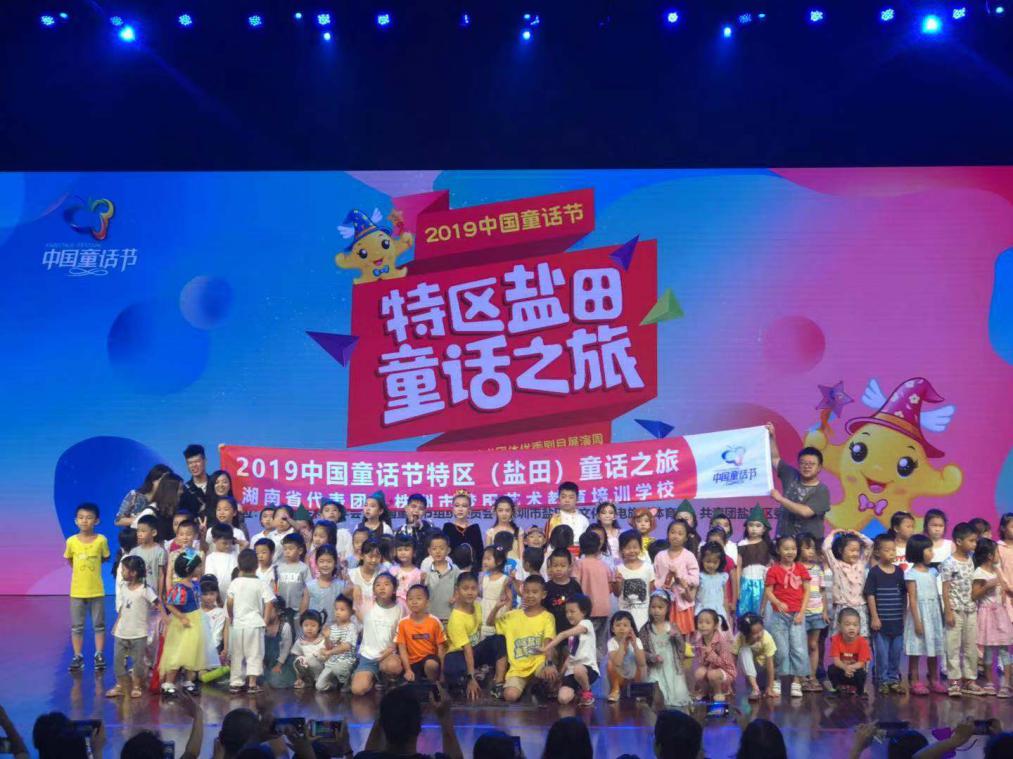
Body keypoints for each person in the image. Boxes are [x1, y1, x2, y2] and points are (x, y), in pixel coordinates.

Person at [490, 574, 558, 702]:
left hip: (538, 663)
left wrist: (549, 664)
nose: (530, 595)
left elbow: (548, 642)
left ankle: (537, 683)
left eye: (535, 592)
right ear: (522, 593)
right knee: (510, 696)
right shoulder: (512, 615)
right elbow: (490, 622)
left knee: (550, 674)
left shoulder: (548, 617)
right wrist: (497, 607)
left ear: (543, 595)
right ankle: (528, 685)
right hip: (518, 668)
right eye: (527, 592)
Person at [444, 572, 507, 699]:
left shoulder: (477, 606)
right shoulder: (456, 619)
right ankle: (470, 678)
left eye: (473, 588)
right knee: (453, 668)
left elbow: (485, 627)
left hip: (474, 651)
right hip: (459, 654)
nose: (470, 592)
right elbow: (467, 649)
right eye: (465, 588)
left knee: (499, 639)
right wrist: (471, 678)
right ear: (457, 590)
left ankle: (499, 683)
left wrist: (496, 607)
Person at [355, 684, 463, 759]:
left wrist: (384, 711)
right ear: (418, 727)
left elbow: (368, 754)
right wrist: (445, 717)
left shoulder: (362, 757)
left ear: (382, 724)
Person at [763, 534, 811, 698]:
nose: (790, 552)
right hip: (779, 616)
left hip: (797, 615)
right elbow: (768, 591)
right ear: (778, 550)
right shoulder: (773, 570)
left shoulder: (801, 568)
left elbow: (807, 591)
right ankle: (777, 679)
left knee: (798, 648)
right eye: (786, 549)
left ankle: (796, 681)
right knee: (781, 649)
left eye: (793, 549)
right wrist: (777, 603)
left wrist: (802, 613)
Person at [65, 502, 110, 672]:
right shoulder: (71, 541)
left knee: (99, 625)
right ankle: (77, 656)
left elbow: (105, 557)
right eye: (81, 517)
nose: (84, 521)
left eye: (89, 517)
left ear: (96, 521)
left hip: (96, 590)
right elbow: (70, 559)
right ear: (76, 520)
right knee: (77, 626)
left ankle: (99, 654)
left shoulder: (101, 540)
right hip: (77, 591)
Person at [766, 422, 831, 538]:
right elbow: (775, 458)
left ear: (819, 468)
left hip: (809, 545)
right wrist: (771, 437)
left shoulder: (822, 490)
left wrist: (780, 499)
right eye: (803, 463)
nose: (807, 466)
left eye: (811, 464)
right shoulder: (791, 475)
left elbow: (805, 512)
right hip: (783, 542)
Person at [105, 555, 157, 698]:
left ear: (133, 573)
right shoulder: (123, 587)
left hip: (138, 633)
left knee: (137, 662)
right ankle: (120, 685)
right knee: (118, 661)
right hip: (122, 631)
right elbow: (123, 607)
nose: (121, 572)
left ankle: (136, 685)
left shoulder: (145, 589)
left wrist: (164, 619)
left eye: (124, 570)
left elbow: (157, 604)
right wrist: (116, 624)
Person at [940, 521, 981, 696]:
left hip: (971, 609)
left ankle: (970, 680)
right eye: (971, 541)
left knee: (971, 646)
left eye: (975, 541)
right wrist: (948, 611)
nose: (974, 544)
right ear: (958, 541)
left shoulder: (972, 560)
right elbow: (945, 589)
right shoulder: (949, 563)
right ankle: (954, 681)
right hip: (955, 610)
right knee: (953, 646)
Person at [864, 533, 908, 695]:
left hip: (897, 622)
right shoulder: (874, 572)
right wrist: (874, 617)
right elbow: (870, 595)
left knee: (896, 653)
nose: (891, 553)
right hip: (881, 623)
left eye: (893, 550)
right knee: (882, 654)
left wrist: (904, 616)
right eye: (887, 550)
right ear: (877, 552)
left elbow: (903, 594)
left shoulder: (899, 572)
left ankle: (893, 679)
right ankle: (882, 680)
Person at [160, 549, 208, 695]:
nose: (200, 568)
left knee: (193, 652)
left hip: (196, 622)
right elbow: (169, 604)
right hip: (184, 623)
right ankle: (169, 683)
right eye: (198, 566)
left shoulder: (195, 584)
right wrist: (181, 616)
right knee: (179, 652)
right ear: (189, 569)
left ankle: (188, 680)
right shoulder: (180, 588)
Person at [350, 573, 404, 696]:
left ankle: (387, 679)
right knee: (357, 690)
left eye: (386, 584)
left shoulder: (400, 608)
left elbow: (401, 633)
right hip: (368, 656)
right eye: (378, 585)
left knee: (393, 667)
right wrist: (356, 588)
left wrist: (392, 648)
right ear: (373, 590)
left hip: (388, 654)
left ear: (394, 589)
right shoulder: (367, 604)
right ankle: (372, 677)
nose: (382, 587)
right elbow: (353, 605)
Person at [904, 534, 946, 695]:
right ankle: (915, 680)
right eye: (928, 550)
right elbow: (913, 599)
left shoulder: (933, 572)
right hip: (919, 614)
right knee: (916, 650)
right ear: (918, 552)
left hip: (933, 614)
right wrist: (917, 621)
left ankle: (934, 679)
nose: (932, 553)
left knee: (933, 648)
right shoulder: (911, 574)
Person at [972, 537, 1013, 696]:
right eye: (996, 552)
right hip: (987, 615)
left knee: (1004, 650)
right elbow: (974, 595)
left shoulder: (997, 570)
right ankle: (989, 682)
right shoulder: (979, 572)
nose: (998, 555)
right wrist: (987, 586)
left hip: (1000, 613)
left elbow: (1004, 587)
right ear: (990, 555)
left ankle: (1006, 684)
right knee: (988, 650)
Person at [542, 594, 598, 706]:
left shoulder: (586, 624)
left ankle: (587, 693)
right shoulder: (572, 634)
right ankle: (577, 692)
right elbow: (571, 657)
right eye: (567, 612)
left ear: (584, 612)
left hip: (587, 669)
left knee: (578, 670)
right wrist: (561, 676)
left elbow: (563, 634)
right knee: (563, 699)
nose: (568, 615)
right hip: (572, 671)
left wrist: (545, 648)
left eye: (572, 612)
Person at [640, 591, 691, 706]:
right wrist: (652, 657)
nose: (656, 610)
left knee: (677, 696)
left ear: (667, 609)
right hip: (655, 668)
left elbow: (682, 648)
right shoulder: (646, 629)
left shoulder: (672, 626)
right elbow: (641, 651)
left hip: (671, 667)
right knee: (657, 694)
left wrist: (677, 636)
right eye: (653, 607)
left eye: (660, 607)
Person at [824, 528, 874, 636]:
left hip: (860, 606)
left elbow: (870, 544)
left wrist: (858, 534)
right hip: (843, 606)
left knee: (862, 637)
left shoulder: (861, 563)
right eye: (852, 550)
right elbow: (826, 548)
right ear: (841, 550)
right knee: (840, 638)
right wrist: (833, 533)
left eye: (857, 550)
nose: (855, 553)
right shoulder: (836, 565)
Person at [797, 531, 829, 692]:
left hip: (817, 612)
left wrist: (824, 611)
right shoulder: (795, 569)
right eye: (807, 548)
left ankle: (813, 676)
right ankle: (802, 678)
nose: (811, 552)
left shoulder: (817, 569)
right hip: (801, 613)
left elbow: (823, 591)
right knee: (801, 646)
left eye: (813, 548)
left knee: (813, 645)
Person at [655, 520, 700, 635]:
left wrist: (678, 576)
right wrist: (665, 581)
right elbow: (655, 579)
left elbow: (695, 580)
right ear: (667, 534)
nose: (675, 536)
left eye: (680, 534)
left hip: (682, 603)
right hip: (663, 602)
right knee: (664, 635)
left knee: (682, 636)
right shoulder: (660, 556)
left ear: (686, 538)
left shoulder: (689, 556)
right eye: (672, 532)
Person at [574, 530, 614, 658]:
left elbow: (575, 585)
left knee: (584, 643)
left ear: (581, 547)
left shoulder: (579, 564)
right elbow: (610, 588)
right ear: (598, 547)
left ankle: (587, 667)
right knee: (600, 644)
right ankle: (599, 667)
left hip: (587, 611)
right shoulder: (605, 565)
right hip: (604, 610)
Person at [614, 529, 656, 631]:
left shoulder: (648, 568)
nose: (632, 551)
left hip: (643, 616)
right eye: (628, 548)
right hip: (624, 618)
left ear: (640, 548)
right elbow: (617, 593)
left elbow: (651, 591)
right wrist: (618, 582)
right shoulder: (618, 569)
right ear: (621, 549)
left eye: (635, 547)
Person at [690, 608, 734, 702]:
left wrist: (711, 654)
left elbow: (726, 665)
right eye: (700, 622)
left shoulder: (721, 642)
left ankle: (719, 692)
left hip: (726, 671)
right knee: (699, 672)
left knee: (712, 674)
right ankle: (705, 691)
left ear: (715, 625)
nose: (703, 625)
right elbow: (702, 663)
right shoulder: (699, 641)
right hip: (710, 670)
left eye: (707, 623)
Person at [737, 505, 772, 618]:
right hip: (745, 583)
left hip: (762, 584)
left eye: (758, 526)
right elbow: (739, 567)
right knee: (744, 613)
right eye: (751, 525)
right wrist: (738, 588)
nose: (754, 529)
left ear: (764, 529)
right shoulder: (742, 544)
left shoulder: (767, 545)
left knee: (760, 613)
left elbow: (769, 567)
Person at [732, 612, 778, 699]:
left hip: (763, 671)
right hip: (748, 673)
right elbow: (732, 661)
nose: (759, 635)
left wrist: (770, 687)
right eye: (755, 633)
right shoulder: (739, 638)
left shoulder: (767, 638)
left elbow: (770, 664)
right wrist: (730, 684)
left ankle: (763, 685)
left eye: (761, 630)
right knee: (744, 650)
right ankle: (755, 688)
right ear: (746, 633)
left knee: (764, 683)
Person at [317, 594, 358, 692]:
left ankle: (347, 681)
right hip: (332, 661)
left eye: (342, 610)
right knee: (319, 686)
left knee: (339, 668)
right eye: (336, 609)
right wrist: (327, 637)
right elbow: (329, 647)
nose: (338, 612)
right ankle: (335, 683)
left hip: (346, 661)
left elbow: (346, 646)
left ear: (351, 612)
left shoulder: (352, 627)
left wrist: (329, 652)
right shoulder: (333, 627)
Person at [828, 607, 872, 695]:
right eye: (847, 625)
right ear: (839, 626)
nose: (852, 628)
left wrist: (850, 668)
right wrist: (845, 668)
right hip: (842, 669)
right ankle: (838, 687)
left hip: (854, 671)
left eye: (855, 625)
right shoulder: (836, 640)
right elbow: (836, 661)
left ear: (859, 626)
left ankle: (860, 690)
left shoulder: (863, 642)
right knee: (831, 669)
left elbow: (861, 663)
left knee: (861, 673)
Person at [544, 549, 582, 643]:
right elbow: (543, 609)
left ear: (570, 567)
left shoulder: (575, 585)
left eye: (563, 566)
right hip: (552, 632)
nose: (559, 569)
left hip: (571, 631)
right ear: (550, 567)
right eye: (555, 565)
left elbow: (581, 606)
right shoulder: (546, 587)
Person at [425, 533, 460, 624]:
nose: (438, 551)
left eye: (441, 548)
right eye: (434, 549)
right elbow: (423, 591)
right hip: (431, 615)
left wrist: (456, 597)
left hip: (450, 614)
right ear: (429, 551)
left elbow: (460, 587)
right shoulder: (427, 571)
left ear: (448, 550)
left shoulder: (455, 569)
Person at [129, 513, 168, 596]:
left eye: (143, 531)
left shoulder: (160, 552)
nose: (139, 534)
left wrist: (160, 595)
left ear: (153, 533)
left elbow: (161, 575)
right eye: (138, 531)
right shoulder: (134, 552)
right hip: (137, 594)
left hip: (153, 594)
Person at [544, 481, 588, 553]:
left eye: (571, 497)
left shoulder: (583, 519)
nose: (567, 500)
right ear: (559, 499)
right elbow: (548, 543)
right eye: (563, 497)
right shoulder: (553, 519)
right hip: (559, 555)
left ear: (577, 499)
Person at [395, 493, 438, 567]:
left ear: (424, 512)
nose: (416, 510)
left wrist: (421, 529)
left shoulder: (429, 527)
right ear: (406, 508)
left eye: (421, 509)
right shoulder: (400, 530)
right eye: (413, 506)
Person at [696, 541, 732, 627]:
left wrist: (727, 616)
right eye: (708, 561)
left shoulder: (722, 577)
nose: (711, 565)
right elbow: (694, 597)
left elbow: (725, 598)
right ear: (702, 560)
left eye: (715, 562)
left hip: (718, 612)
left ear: (720, 562)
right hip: (702, 610)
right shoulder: (699, 576)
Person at [291, 609, 329, 689]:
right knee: (298, 660)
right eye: (306, 625)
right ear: (301, 626)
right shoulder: (300, 642)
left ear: (319, 626)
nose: (309, 628)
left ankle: (325, 682)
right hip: (309, 672)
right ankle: (307, 681)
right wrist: (299, 678)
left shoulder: (323, 640)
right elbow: (296, 660)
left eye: (313, 626)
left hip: (322, 670)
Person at [442, 490, 483, 562]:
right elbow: (443, 551)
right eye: (457, 506)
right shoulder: (448, 527)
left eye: (464, 506)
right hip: (452, 567)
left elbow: (480, 553)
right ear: (453, 509)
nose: (460, 509)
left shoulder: (474, 528)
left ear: (469, 509)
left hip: (472, 567)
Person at [350, 539, 386, 621]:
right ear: (361, 556)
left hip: (378, 620)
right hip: (355, 621)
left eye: (377, 557)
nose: (374, 560)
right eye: (370, 556)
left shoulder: (383, 573)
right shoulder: (351, 574)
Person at [479, 545, 511, 638]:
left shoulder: (504, 579)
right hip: (484, 607)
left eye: (488, 559)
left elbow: (509, 598)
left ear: (499, 561)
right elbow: (481, 593)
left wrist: (506, 613)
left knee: (494, 634)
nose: (485, 561)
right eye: (484, 559)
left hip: (496, 609)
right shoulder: (484, 576)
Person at [278, 533, 311, 615]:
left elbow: (308, 588)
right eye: (285, 549)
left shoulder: (304, 568)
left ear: (300, 551)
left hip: (298, 609)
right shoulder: (279, 568)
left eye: (290, 549)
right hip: (282, 609)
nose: (287, 552)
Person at [205, 522, 239, 598]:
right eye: (224, 543)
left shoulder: (235, 555)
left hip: (233, 595)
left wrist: (236, 541)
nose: (228, 546)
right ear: (214, 540)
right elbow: (211, 579)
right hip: (217, 597)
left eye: (230, 542)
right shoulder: (211, 558)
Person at [179, 444, 213, 519]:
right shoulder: (184, 490)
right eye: (190, 463)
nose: (194, 465)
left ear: (205, 461)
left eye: (197, 461)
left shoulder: (216, 484)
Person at [486, 495, 522, 563]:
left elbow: (521, 556)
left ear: (512, 512)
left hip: (515, 567)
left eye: (507, 510)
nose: (504, 514)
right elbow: (488, 556)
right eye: (500, 510)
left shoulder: (518, 531)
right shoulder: (490, 532)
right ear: (495, 511)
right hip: (497, 567)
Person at [392, 535, 423, 612]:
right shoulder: (393, 570)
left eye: (406, 550)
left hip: (411, 608)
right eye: (400, 550)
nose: (403, 553)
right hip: (394, 607)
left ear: (414, 552)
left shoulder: (418, 573)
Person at [320, 499, 354, 563]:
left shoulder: (345, 533)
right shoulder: (318, 534)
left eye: (334, 510)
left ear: (339, 514)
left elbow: (349, 553)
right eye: (327, 510)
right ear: (321, 516)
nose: (331, 512)